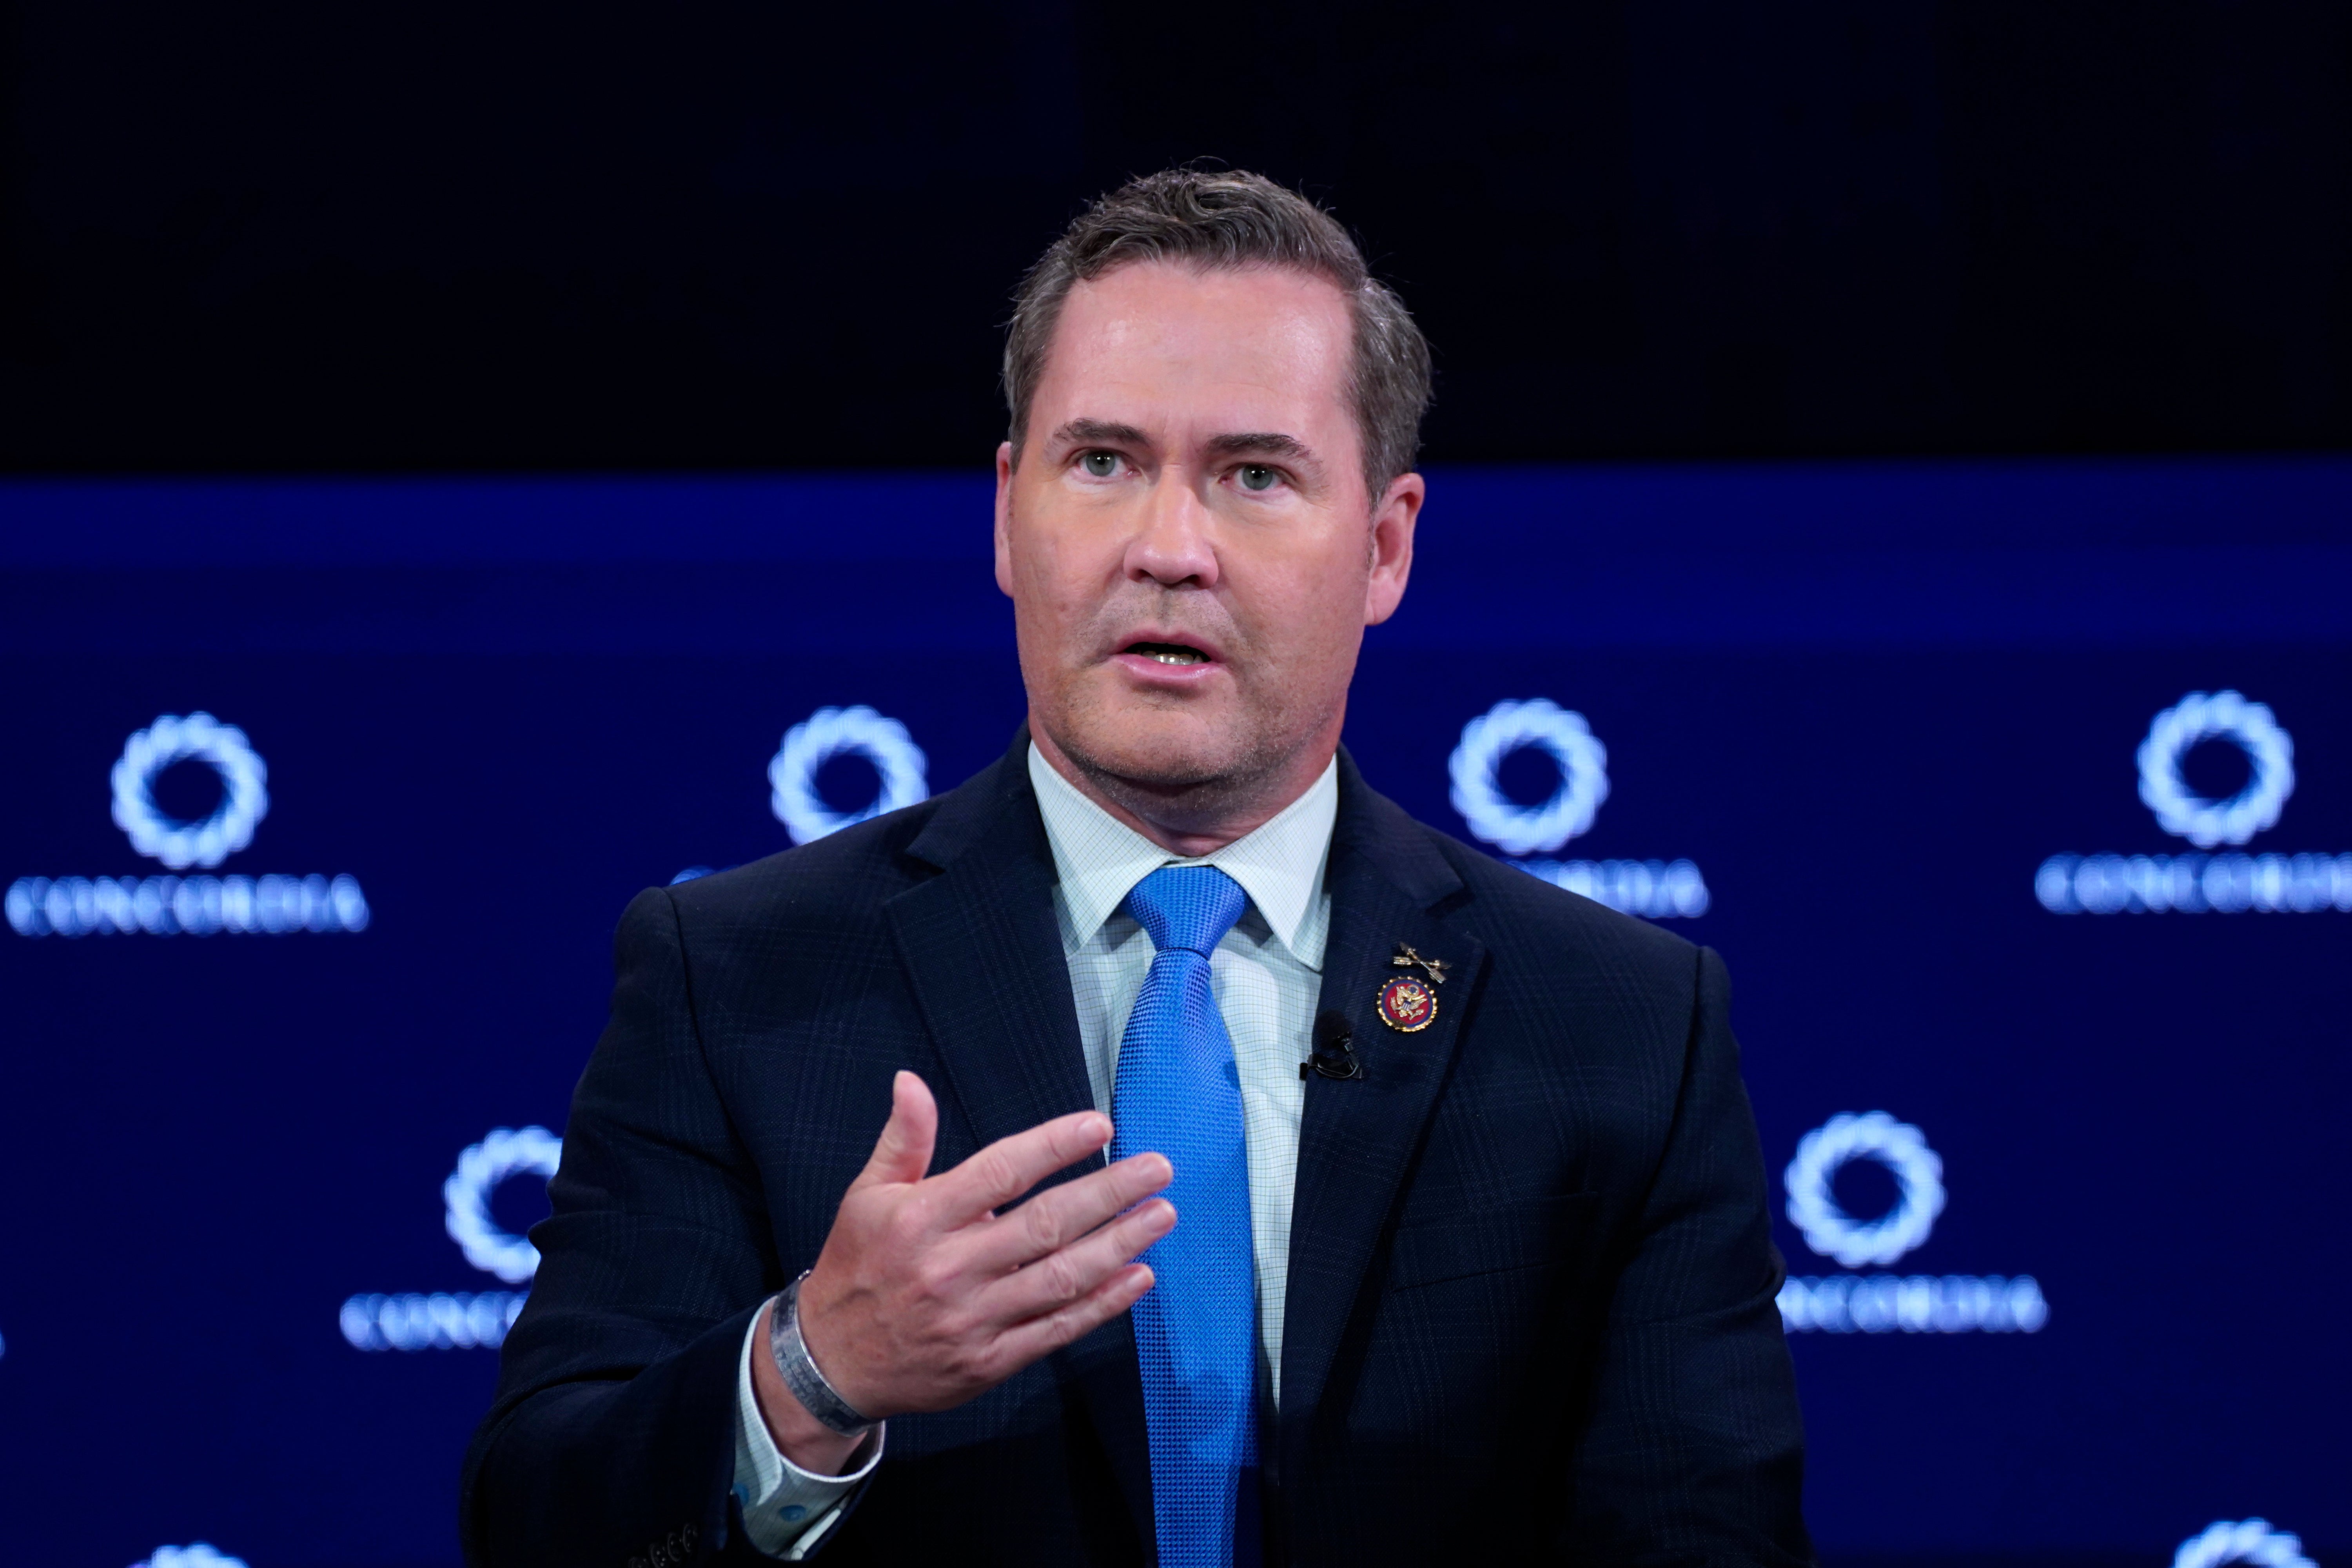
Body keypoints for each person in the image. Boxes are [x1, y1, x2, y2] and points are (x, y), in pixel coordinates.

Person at [461, 168, 1811, 1568]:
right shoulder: (737, 979)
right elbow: (536, 1528)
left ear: (1385, 546)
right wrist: (814, 1371)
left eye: (1256, 475)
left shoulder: (1621, 1025)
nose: (1169, 551)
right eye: (1103, 462)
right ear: (1008, 513)